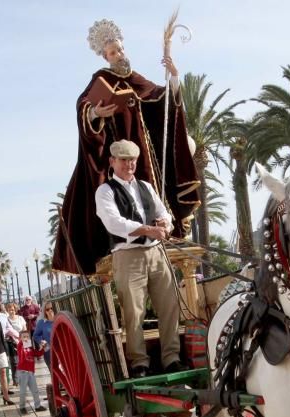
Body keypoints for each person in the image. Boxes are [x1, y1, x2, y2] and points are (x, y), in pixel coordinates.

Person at [53, 18, 199, 276]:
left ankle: (163, 228)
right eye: (112, 52)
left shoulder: (135, 78)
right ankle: (128, 237)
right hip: (118, 152)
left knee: (152, 193)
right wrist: (96, 113)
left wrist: (174, 76)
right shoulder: (101, 78)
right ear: (105, 56)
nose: (118, 55)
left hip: (145, 153)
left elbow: (162, 100)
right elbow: (84, 107)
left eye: (120, 49)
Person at [95, 139, 184, 378]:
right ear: (112, 162)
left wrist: (165, 223)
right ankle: (139, 363)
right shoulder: (105, 191)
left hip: (156, 252)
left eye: (132, 160)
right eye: (124, 160)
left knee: (170, 305)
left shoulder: (145, 186)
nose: (129, 164)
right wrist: (147, 229)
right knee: (134, 311)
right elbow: (114, 223)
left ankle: (172, 358)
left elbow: (162, 211)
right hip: (127, 255)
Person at [16, 330, 46, 415]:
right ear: (20, 338)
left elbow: (37, 353)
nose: (26, 338)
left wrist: (42, 348)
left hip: (30, 371)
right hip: (23, 372)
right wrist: (23, 342)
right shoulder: (20, 346)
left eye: (27, 336)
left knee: (35, 390)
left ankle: (37, 406)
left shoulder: (30, 347)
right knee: (23, 391)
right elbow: (21, 348)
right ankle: (22, 407)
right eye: (24, 337)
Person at [5, 302, 26, 386]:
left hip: (22, 341)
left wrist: (26, 343)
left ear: (15, 310)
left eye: (13, 310)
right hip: (12, 343)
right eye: (10, 310)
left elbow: (24, 329)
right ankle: (16, 380)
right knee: (14, 362)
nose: (11, 311)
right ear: (7, 310)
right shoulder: (6, 320)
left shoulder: (20, 318)